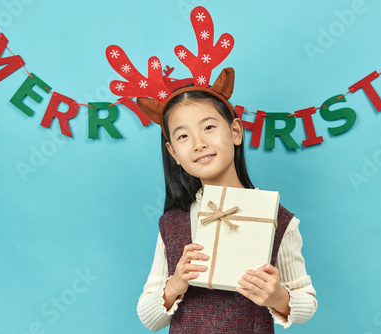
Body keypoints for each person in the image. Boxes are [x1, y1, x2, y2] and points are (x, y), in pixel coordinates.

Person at [135, 68, 317, 333]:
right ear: (173, 152)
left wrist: (277, 296)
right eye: (183, 136)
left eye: (208, 127)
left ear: (235, 131)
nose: (198, 143)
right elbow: (149, 318)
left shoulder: (278, 219)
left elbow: (307, 304)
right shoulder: (172, 223)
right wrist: (175, 284)